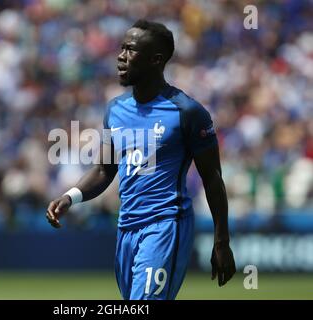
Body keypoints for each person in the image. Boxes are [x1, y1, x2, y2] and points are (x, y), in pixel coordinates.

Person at [46, 19, 236, 300]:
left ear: (155, 60)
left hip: (165, 226)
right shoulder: (116, 109)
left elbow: (213, 178)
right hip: (126, 230)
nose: (121, 56)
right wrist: (71, 197)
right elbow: (104, 170)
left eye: (131, 50)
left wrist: (221, 241)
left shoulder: (187, 112)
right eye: (121, 48)